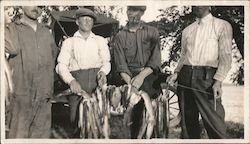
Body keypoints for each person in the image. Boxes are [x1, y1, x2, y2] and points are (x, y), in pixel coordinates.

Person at [167, 6, 232, 139]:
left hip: (207, 78)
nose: (196, 6)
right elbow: (184, 56)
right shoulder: (188, 30)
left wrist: (218, 81)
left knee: (215, 125)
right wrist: (176, 73)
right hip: (185, 76)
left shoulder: (222, 26)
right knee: (187, 125)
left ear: (209, 5)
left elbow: (226, 57)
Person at [56, 8, 111, 137]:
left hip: (96, 85)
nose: (87, 22)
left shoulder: (100, 40)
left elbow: (106, 62)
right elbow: (61, 66)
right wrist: (71, 81)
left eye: (90, 19)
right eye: (84, 19)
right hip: (77, 86)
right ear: (77, 21)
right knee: (77, 122)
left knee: (99, 122)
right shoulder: (69, 42)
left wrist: (103, 73)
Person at [5, 6, 57, 138]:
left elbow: (53, 57)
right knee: (18, 137)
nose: (37, 7)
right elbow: (12, 48)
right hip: (20, 98)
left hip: (43, 98)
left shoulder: (46, 32)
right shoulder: (11, 28)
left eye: (40, 5)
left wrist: (48, 87)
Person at [112, 6, 161, 138]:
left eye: (137, 11)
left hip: (149, 77)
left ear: (142, 13)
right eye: (130, 11)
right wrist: (131, 84)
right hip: (128, 78)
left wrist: (141, 77)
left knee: (151, 117)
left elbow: (155, 60)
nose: (133, 14)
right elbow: (120, 64)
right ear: (126, 12)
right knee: (134, 117)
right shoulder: (120, 36)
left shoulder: (152, 32)